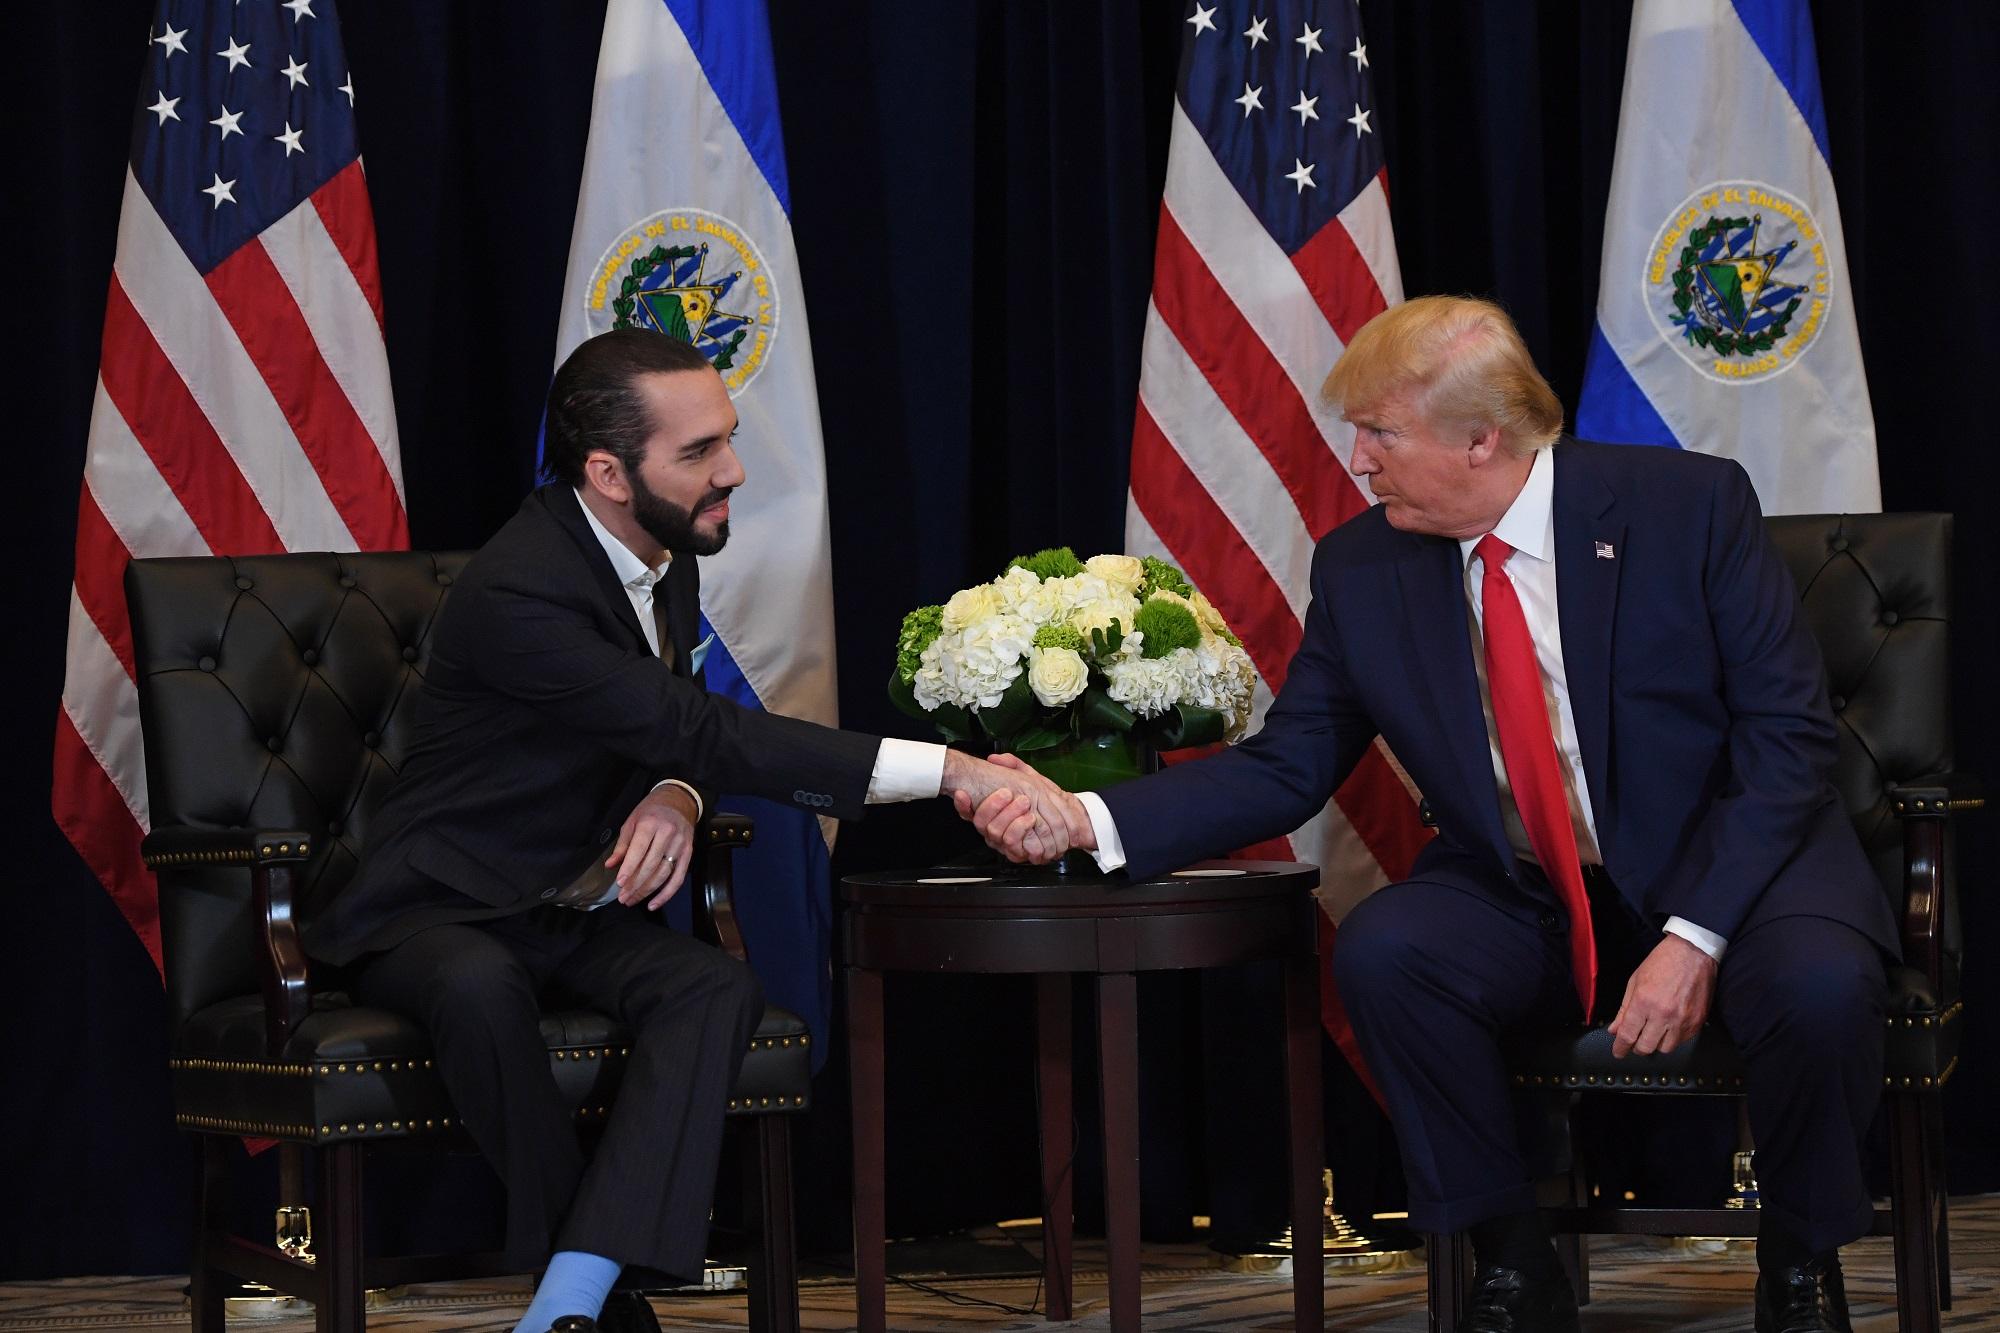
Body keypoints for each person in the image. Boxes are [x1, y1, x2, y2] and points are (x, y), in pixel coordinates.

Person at [963, 296, 1893, 1333]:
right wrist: (1086, 818)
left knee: (1819, 985)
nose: (1358, 460)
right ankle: (1508, 1260)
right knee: (1386, 952)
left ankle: (1800, 1260)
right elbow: (1287, 764)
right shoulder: (1364, 565)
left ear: (1478, 439)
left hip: (1732, 866)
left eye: (1379, 434)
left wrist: (1692, 936)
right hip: (1527, 885)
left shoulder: (1686, 508)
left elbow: (1786, 745)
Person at [304, 328, 1072, 1333]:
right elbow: (699, 724)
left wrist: (674, 794)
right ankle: (590, 1296)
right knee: (475, 985)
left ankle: (570, 1292)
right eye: (699, 451)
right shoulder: (521, 586)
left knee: (713, 985)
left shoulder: (658, 551)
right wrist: (954, 772)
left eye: (729, 439)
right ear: (606, 471)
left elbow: (666, 729)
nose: (734, 471)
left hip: (559, 900)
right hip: (432, 905)